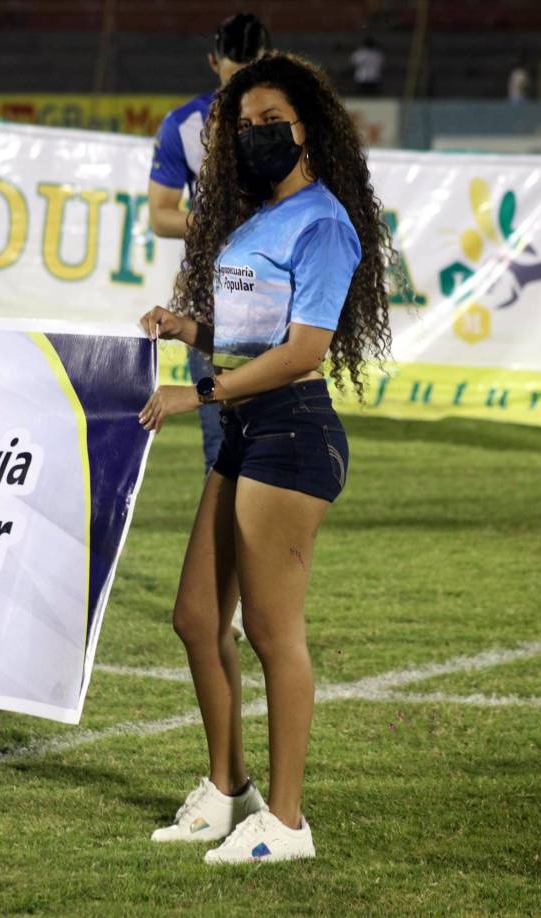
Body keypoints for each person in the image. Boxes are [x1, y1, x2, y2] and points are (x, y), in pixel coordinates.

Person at [138, 52, 392, 864]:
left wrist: (197, 393)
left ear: (309, 129)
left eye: (269, 124)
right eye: (241, 127)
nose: (253, 138)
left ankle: (285, 823)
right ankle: (226, 792)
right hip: (249, 430)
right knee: (197, 618)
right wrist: (192, 330)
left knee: (274, 635)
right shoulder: (255, 220)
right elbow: (255, 336)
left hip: (289, 431)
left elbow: (302, 353)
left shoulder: (323, 222)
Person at [148, 12, 271, 475]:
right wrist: (223, 222)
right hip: (219, 296)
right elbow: (160, 216)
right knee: (222, 442)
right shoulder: (185, 125)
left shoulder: (290, 119)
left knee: (266, 433)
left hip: (274, 296)